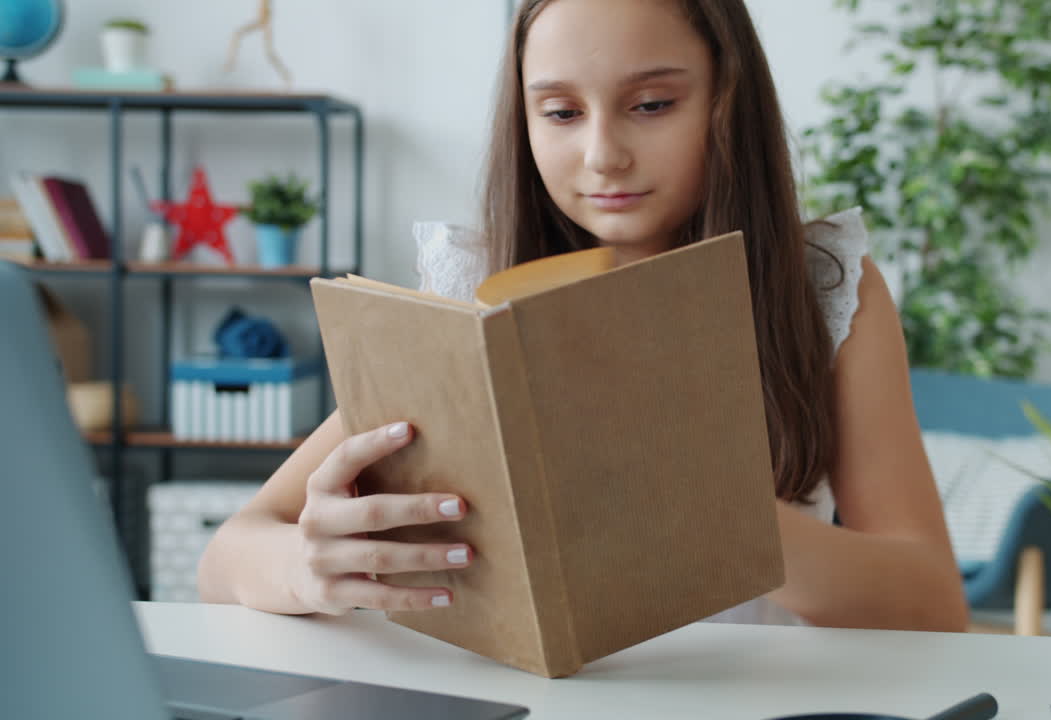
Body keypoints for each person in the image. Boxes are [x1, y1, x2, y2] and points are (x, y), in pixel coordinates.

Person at [199, 0, 969, 632]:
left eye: (652, 105)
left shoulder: (823, 291)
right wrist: (308, 565)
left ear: (728, 99)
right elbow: (225, 557)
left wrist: (702, 505)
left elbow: (933, 602)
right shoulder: (472, 296)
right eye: (562, 112)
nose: (604, 154)